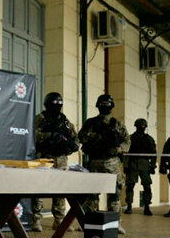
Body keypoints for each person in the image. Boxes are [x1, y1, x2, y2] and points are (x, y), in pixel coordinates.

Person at [78, 94, 130, 235]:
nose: (105, 107)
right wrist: (95, 135)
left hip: (112, 162)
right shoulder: (90, 123)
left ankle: (116, 223)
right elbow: (81, 137)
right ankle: (90, 221)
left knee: (115, 194)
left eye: (107, 104)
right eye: (103, 104)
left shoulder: (117, 124)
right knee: (92, 194)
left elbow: (127, 142)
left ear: (111, 107)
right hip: (94, 161)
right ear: (98, 106)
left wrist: (118, 149)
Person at [31, 92, 78, 232]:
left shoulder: (65, 121)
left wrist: (69, 145)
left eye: (58, 105)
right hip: (43, 158)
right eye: (53, 105)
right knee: (38, 190)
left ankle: (59, 220)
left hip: (61, 159)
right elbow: (32, 135)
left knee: (61, 190)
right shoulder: (40, 118)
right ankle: (36, 220)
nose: (56, 107)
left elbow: (75, 140)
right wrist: (50, 136)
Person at [123, 118, 157, 215]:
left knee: (147, 186)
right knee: (130, 185)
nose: (141, 128)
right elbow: (126, 152)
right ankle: (129, 205)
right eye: (140, 126)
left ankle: (147, 206)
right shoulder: (131, 138)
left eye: (143, 126)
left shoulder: (149, 139)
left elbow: (154, 153)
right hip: (132, 163)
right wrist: (125, 165)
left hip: (145, 163)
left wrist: (153, 166)